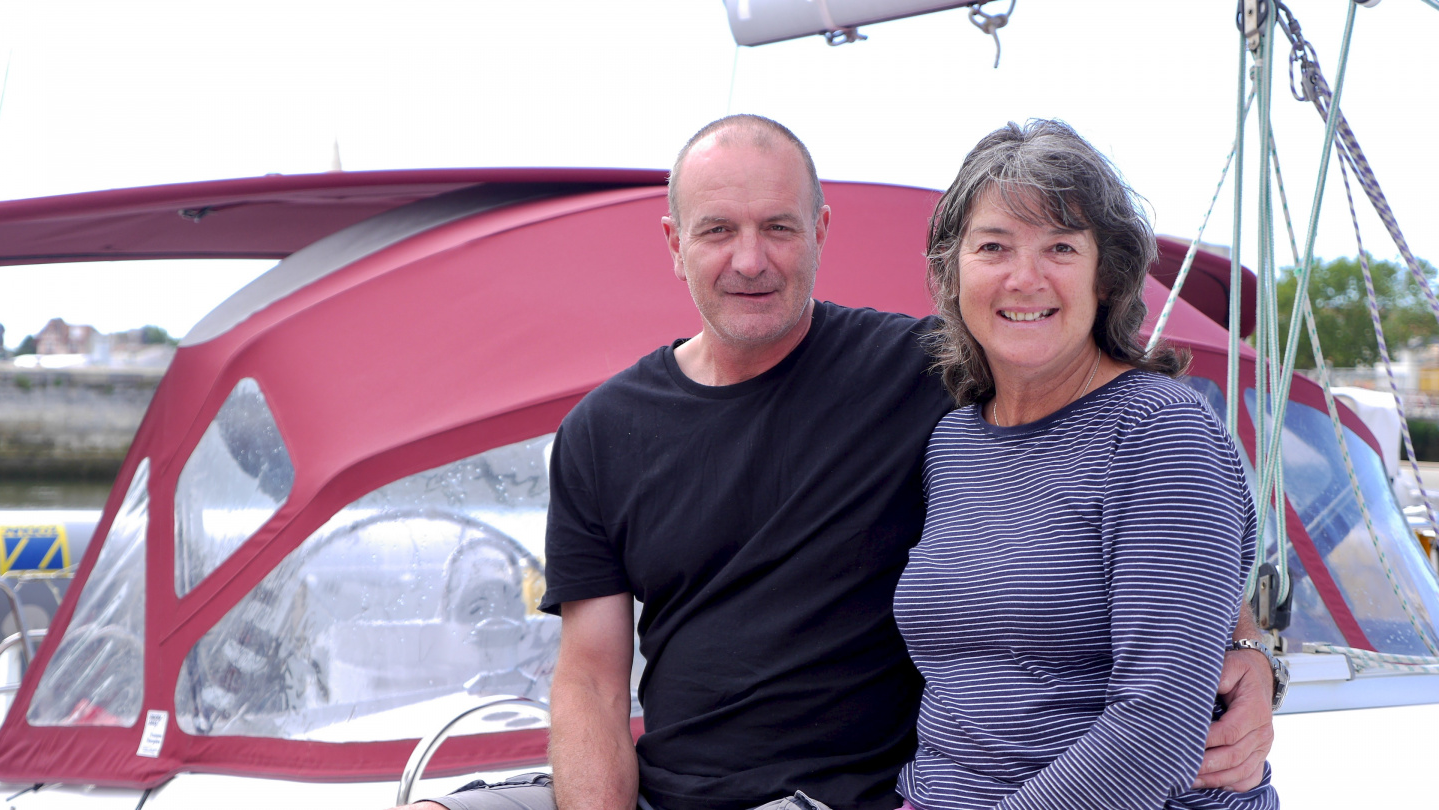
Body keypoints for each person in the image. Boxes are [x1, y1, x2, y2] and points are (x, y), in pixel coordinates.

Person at [394, 115, 1276, 810]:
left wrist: (1246, 650)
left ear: (821, 232)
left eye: (778, 226)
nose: (750, 260)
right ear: (673, 243)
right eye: (718, 231)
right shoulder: (962, 420)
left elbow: (1182, 541)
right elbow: (589, 673)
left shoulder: (939, 377)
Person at [893, 119, 1279, 809]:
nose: (1025, 277)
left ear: (1107, 275)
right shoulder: (952, 444)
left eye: (1061, 247)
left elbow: (1158, 727)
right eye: (993, 246)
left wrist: (1254, 650)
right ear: (952, 273)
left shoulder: (1161, 435)